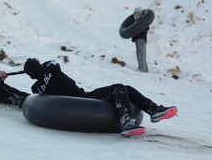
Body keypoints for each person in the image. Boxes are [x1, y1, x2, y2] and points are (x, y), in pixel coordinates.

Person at [23, 58, 178, 137]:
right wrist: (43, 65)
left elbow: (40, 91)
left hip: (73, 102)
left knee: (125, 90)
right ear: (41, 65)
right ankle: (131, 120)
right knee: (120, 88)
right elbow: (54, 62)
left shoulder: (36, 87)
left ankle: (154, 111)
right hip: (84, 98)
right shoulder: (51, 68)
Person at [132, 7, 149, 72]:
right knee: (139, 54)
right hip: (136, 39)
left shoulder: (143, 20)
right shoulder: (134, 21)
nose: (136, 15)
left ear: (140, 14)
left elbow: (146, 28)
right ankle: (144, 69)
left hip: (142, 39)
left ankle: (142, 69)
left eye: (137, 13)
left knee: (142, 54)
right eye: (135, 13)